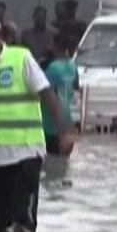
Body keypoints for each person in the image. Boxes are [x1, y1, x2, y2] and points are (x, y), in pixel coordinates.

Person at [0, 13, 73, 232]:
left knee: (23, 224)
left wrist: (65, 133)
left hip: (26, 154)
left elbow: (48, 95)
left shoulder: (21, 59)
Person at [42, 34, 80, 180]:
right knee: (63, 165)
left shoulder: (52, 68)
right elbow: (75, 92)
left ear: (56, 46)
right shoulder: (72, 66)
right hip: (69, 121)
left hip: (51, 125)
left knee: (49, 169)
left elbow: (44, 92)